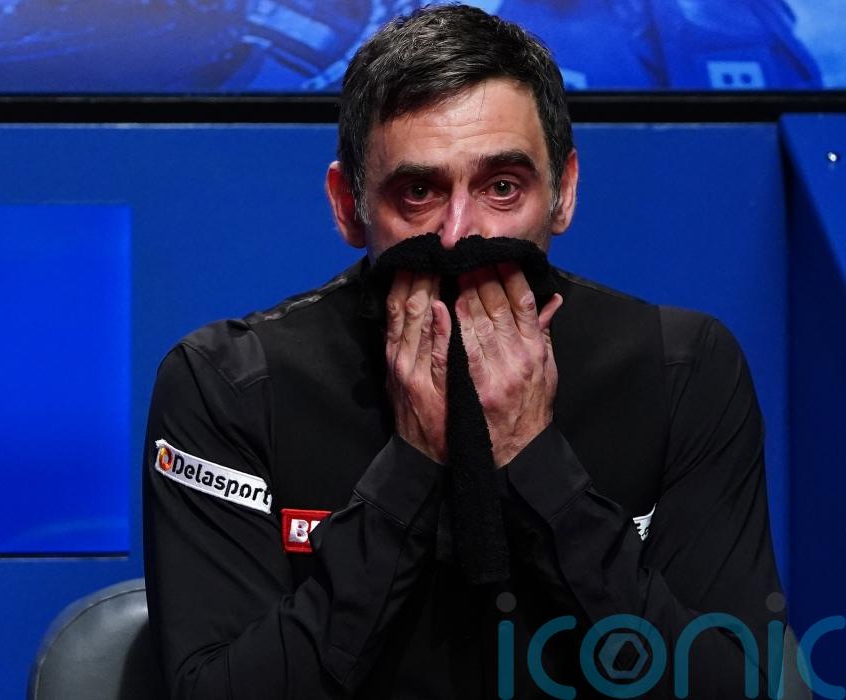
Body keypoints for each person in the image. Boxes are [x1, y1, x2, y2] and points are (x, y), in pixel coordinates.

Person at [143, 4, 787, 698]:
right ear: (348, 206)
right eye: (418, 192)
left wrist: (535, 463)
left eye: (502, 187)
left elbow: (730, 688)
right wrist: (411, 466)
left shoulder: (679, 370)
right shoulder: (229, 384)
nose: (458, 234)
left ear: (564, 192)